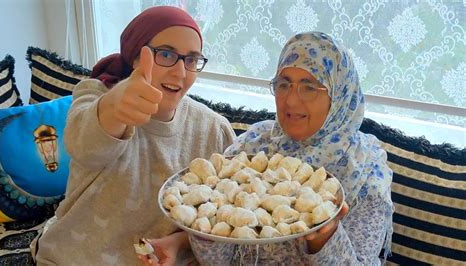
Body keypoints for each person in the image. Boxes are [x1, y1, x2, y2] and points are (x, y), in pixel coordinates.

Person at [33, 6, 235, 265]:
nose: (180, 72)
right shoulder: (96, 95)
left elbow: (223, 213)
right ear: (135, 57)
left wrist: (180, 243)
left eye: (191, 59)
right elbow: (83, 145)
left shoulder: (213, 130)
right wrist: (113, 109)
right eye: (165, 54)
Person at [187, 32, 394, 265]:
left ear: (338, 95)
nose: (291, 101)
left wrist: (324, 242)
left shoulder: (365, 170)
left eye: (309, 88)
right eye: (284, 84)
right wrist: (204, 226)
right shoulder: (252, 146)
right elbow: (219, 261)